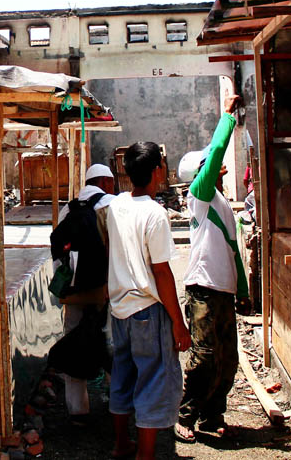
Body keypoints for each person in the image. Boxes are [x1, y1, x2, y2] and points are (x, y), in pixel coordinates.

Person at [106, 142, 191, 460]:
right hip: (147, 309)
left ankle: (120, 444)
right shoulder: (155, 214)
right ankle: (145, 453)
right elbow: (162, 273)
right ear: (158, 171)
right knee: (154, 378)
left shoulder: (116, 205)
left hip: (120, 309)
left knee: (124, 373)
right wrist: (178, 323)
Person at [174, 94, 251, 441]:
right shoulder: (199, 195)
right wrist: (226, 118)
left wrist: (244, 292)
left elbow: (234, 252)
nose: (219, 165)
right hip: (203, 288)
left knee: (227, 360)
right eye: (210, 163)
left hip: (223, 290)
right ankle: (185, 417)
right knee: (204, 357)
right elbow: (217, 152)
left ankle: (211, 415)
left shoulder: (219, 202)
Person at [56, 163, 116, 425]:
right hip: (106, 290)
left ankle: (77, 409)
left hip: (73, 291)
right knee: (113, 345)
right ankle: (118, 404)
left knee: (73, 342)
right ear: (104, 182)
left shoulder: (66, 209)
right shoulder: (113, 205)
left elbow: (59, 255)